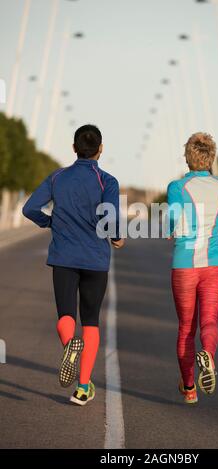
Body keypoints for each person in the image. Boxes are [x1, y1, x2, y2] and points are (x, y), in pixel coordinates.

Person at [23, 124, 124, 406]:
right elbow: (110, 218)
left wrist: (49, 221)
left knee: (66, 315)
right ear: (100, 149)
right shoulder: (108, 181)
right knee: (90, 320)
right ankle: (83, 388)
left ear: (74, 148)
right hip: (95, 260)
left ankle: (70, 345)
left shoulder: (57, 178)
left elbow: (29, 208)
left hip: (64, 258)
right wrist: (116, 238)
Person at [167, 132, 218, 404]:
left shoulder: (177, 187)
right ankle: (209, 357)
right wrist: (216, 226)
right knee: (210, 321)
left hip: (185, 266)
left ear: (187, 156)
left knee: (185, 329)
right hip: (214, 266)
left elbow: (174, 226)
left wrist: (175, 230)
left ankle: (189, 389)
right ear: (211, 157)